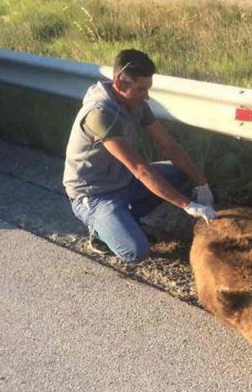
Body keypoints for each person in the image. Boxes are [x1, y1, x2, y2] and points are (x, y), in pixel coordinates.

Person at [63, 49, 217, 263]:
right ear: (120, 84)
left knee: (178, 173)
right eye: (141, 89)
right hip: (95, 195)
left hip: (123, 181)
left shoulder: (137, 105)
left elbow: (169, 146)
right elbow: (140, 169)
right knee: (135, 252)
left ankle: (126, 219)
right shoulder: (100, 114)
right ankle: (99, 232)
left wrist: (202, 184)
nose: (146, 95)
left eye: (148, 88)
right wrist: (187, 205)